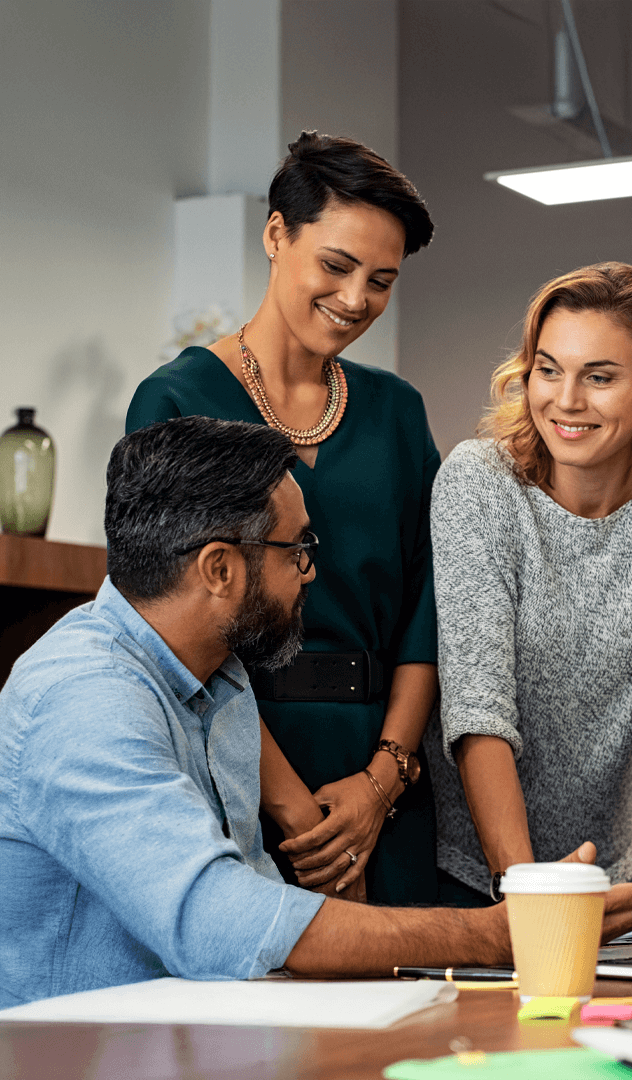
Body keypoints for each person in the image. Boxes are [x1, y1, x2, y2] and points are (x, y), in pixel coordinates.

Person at [0, 417, 632, 1008]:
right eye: (297, 549)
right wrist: (498, 935)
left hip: (205, 1031)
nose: (310, 573)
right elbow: (219, 921)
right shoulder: (83, 696)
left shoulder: (222, 674)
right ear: (218, 569)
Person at [126, 132, 440, 904]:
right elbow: (170, 624)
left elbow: (432, 608)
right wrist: (297, 813)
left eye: (383, 280)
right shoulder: (173, 401)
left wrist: (382, 781)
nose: (356, 298)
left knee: (413, 1014)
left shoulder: (398, 412)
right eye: (336, 265)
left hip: (382, 773)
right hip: (236, 759)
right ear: (275, 234)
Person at [428, 262, 632, 907]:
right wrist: (524, 891)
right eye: (548, 369)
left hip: (608, 868)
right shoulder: (479, 481)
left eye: (599, 377)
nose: (566, 400)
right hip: (463, 870)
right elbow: (477, 703)